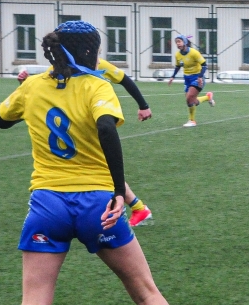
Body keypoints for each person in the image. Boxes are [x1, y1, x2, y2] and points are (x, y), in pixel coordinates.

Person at [0, 20, 222, 305]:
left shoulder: (33, 86)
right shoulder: (97, 87)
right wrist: (118, 191)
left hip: (47, 205)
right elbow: (106, 129)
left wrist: (27, 87)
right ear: (89, 52)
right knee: (146, 293)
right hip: (97, 205)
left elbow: (1, 120)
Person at [18, 58, 155, 227]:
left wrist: (143, 105)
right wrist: (26, 87)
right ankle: (138, 208)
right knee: (101, 169)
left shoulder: (98, 64)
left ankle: (137, 208)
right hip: (72, 127)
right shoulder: (60, 66)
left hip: (90, 126)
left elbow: (124, 79)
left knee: (102, 169)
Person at [168, 33, 214, 127]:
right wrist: (172, 76)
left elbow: (204, 65)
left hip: (197, 77)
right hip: (187, 79)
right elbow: (178, 66)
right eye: (176, 42)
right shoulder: (177, 55)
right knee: (192, 101)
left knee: (189, 99)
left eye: (179, 41)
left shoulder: (194, 52)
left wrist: (200, 77)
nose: (178, 43)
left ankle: (192, 121)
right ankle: (208, 97)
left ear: (185, 42)